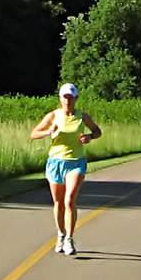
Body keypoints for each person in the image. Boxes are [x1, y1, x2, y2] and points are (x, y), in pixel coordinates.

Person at [29, 83, 101, 256]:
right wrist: (49, 132)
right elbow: (33, 134)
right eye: (64, 97)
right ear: (60, 98)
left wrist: (89, 136)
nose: (67, 100)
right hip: (55, 162)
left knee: (69, 200)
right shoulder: (53, 115)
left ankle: (69, 238)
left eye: (70, 97)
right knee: (58, 203)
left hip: (75, 162)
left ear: (76, 99)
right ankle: (60, 234)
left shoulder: (82, 117)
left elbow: (98, 131)